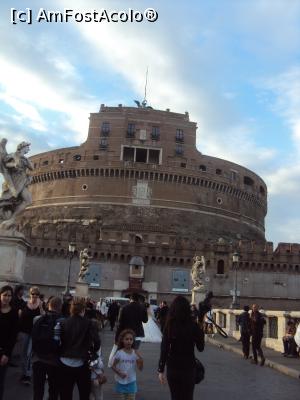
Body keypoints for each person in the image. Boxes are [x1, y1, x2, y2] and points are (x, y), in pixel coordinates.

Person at [158, 296, 205, 400]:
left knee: (175, 397)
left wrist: (160, 370)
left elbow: (164, 348)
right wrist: (200, 329)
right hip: (189, 366)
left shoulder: (170, 325)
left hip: (173, 366)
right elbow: (201, 347)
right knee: (188, 397)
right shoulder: (193, 325)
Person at [59, 297, 100, 400]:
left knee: (65, 394)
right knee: (84, 394)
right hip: (83, 362)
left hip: (65, 361)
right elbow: (97, 342)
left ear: (71, 309)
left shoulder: (63, 323)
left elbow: (59, 341)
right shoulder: (90, 323)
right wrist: (92, 351)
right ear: (83, 310)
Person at [31, 296, 64, 400]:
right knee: (53, 390)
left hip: (38, 359)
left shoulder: (37, 319)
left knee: (38, 390)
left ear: (48, 305)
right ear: (60, 307)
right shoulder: (63, 321)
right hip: (55, 360)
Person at [19, 286, 44, 385]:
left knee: (29, 354)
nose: (34, 296)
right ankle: (23, 372)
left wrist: (41, 306)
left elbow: (43, 317)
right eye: (33, 294)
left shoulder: (41, 305)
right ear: (30, 294)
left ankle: (28, 375)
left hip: (34, 333)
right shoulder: (24, 304)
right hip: (24, 332)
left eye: (37, 294)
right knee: (23, 353)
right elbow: (20, 317)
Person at [111, 329, 143, 400]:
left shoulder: (135, 353)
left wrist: (141, 360)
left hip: (131, 383)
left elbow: (140, 368)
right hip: (120, 383)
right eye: (127, 339)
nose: (129, 341)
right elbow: (112, 366)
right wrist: (119, 373)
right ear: (122, 340)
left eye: (131, 339)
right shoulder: (119, 353)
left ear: (133, 341)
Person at [0, 285, 19, 400]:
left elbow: (13, 336)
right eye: (4, 295)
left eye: (9, 295)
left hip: (3, 352)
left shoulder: (14, 313)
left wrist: (7, 354)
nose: (7, 298)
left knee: (0, 381)